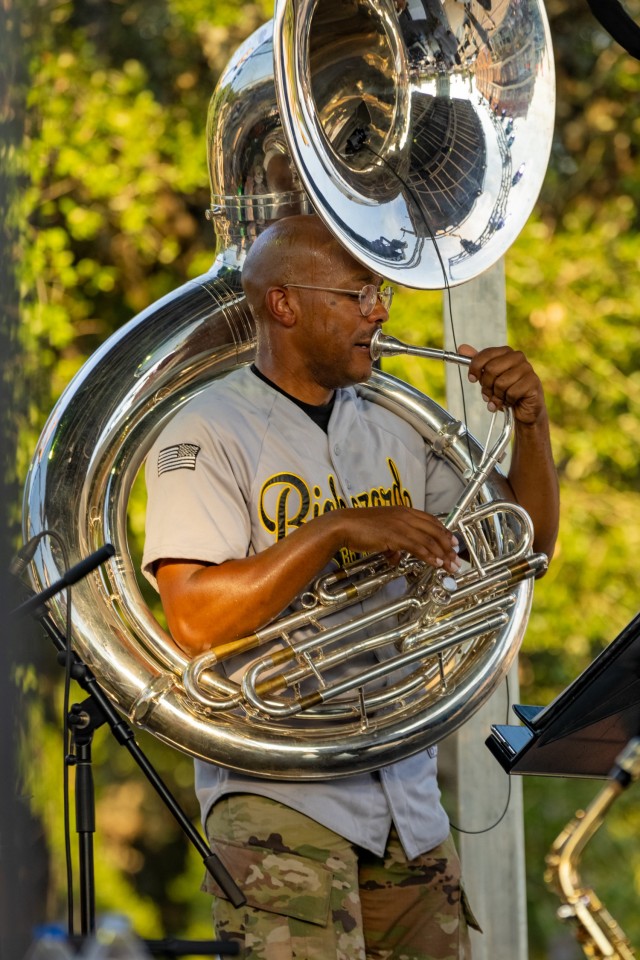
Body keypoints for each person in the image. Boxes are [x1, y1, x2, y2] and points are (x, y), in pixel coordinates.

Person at [142, 213, 559, 960]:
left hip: (410, 801)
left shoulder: (399, 423)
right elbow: (195, 620)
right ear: (283, 305)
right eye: (357, 295)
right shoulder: (204, 431)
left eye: (381, 295)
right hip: (282, 802)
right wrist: (330, 532)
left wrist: (532, 427)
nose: (378, 313)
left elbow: (522, 549)